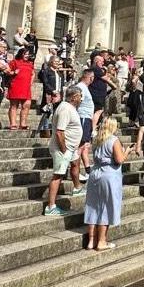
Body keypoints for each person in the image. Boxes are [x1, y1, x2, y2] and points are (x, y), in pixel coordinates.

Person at [85, 117, 131, 250]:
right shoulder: (113, 140)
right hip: (109, 175)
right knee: (106, 207)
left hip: (95, 174)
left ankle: (91, 241)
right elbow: (119, 159)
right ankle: (102, 242)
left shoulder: (97, 140)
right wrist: (127, 151)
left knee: (93, 206)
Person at [45, 86, 85, 216]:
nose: (81, 99)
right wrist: (64, 150)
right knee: (58, 175)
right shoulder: (65, 109)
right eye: (80, 96)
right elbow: (59, 132)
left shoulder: (70, 108)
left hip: (71, 147)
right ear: (74, 97)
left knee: (75, 163)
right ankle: (51, 206)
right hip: (62, 148)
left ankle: (77, 188)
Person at [75, 70, 96, 181]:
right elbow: (77, 101)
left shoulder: (84, 87)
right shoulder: (81, 87)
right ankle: (75, 170)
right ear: (90, 77)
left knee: (84, 145)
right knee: (80, 145)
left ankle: (86, 171)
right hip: (83, 117)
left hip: (86, 118)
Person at [7, 48, 35, 130]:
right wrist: (13, 72)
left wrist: (31, 82)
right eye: (25, 54)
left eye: (27, 54)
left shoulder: (30, 63)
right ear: (21, 54)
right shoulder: (14, 62)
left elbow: (33, 74)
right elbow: (7, 71)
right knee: (14, 105)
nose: (26, 55)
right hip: (15, 85)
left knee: (26, 105)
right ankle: (13, 124)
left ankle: (23, 124)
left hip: (26, 87)